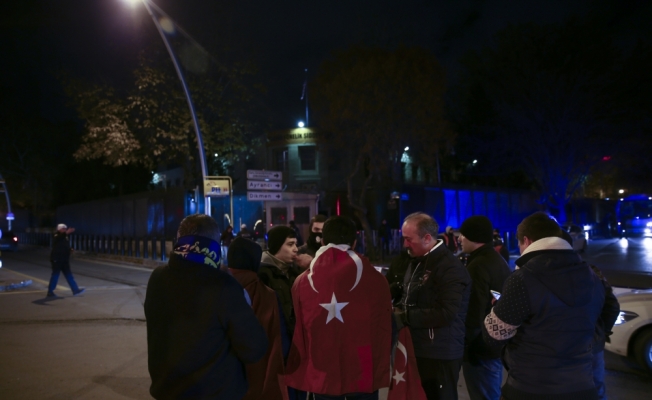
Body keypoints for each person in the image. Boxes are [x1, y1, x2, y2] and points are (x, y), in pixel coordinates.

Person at [482, 212, 606, 400]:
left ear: (526, 240)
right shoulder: (592, 276)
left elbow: (493, 336)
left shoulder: (523, 279)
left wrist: (498, 309)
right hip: (583, 386)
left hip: (531, 387)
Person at [144, 214, 268, 400]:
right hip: (215, 393)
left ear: (179, 240)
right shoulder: (224, 286)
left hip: (166, 391)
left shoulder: (157, 278)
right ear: (215, 244)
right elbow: (254, 348)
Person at [285, 216, 392, 400]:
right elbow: (383, 327)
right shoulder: (377, 280)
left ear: (323, 241)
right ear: (355, 242)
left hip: (323, 374)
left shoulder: (302, 282)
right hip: (362, 372)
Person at [395, 212, 471, 400]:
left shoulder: (449, 267)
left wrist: (405, 317)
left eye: (408, 239)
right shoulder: (417, 260)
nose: (405, 244)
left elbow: (446, 312)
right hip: (420, 348)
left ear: (427, 238)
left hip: (440, 353)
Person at [228, 237, 287, 400]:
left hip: (222, 379)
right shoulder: (266, 295)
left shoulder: (215, 287)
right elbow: (279, 338)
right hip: (259, 377)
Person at [458, 216, 511, 400]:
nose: (459, 239)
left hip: (479, 349)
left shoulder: (478, 266)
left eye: (463, 235)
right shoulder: (496, 260)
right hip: (494, 344)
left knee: (484, 395)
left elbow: (473, 311)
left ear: (474, 237)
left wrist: (463, 344)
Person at [259, 225, 305, 338]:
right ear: (277, 246)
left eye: (296, 244)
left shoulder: (294, 272)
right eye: (290, 244)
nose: (296, 249)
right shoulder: (262, 273)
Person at [47, 223, 85, 297]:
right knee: (55, 276)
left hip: (64, 259)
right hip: (57, 259)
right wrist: (67, 232)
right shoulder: (56, 235)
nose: (65, 230)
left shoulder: (65, 236)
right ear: (59, 229)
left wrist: (70, 249)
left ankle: (75, 290)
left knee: (69, 275)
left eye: (65, 229)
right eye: (63, 229)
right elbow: (59, 238)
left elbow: (64, 245)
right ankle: (50, 292)